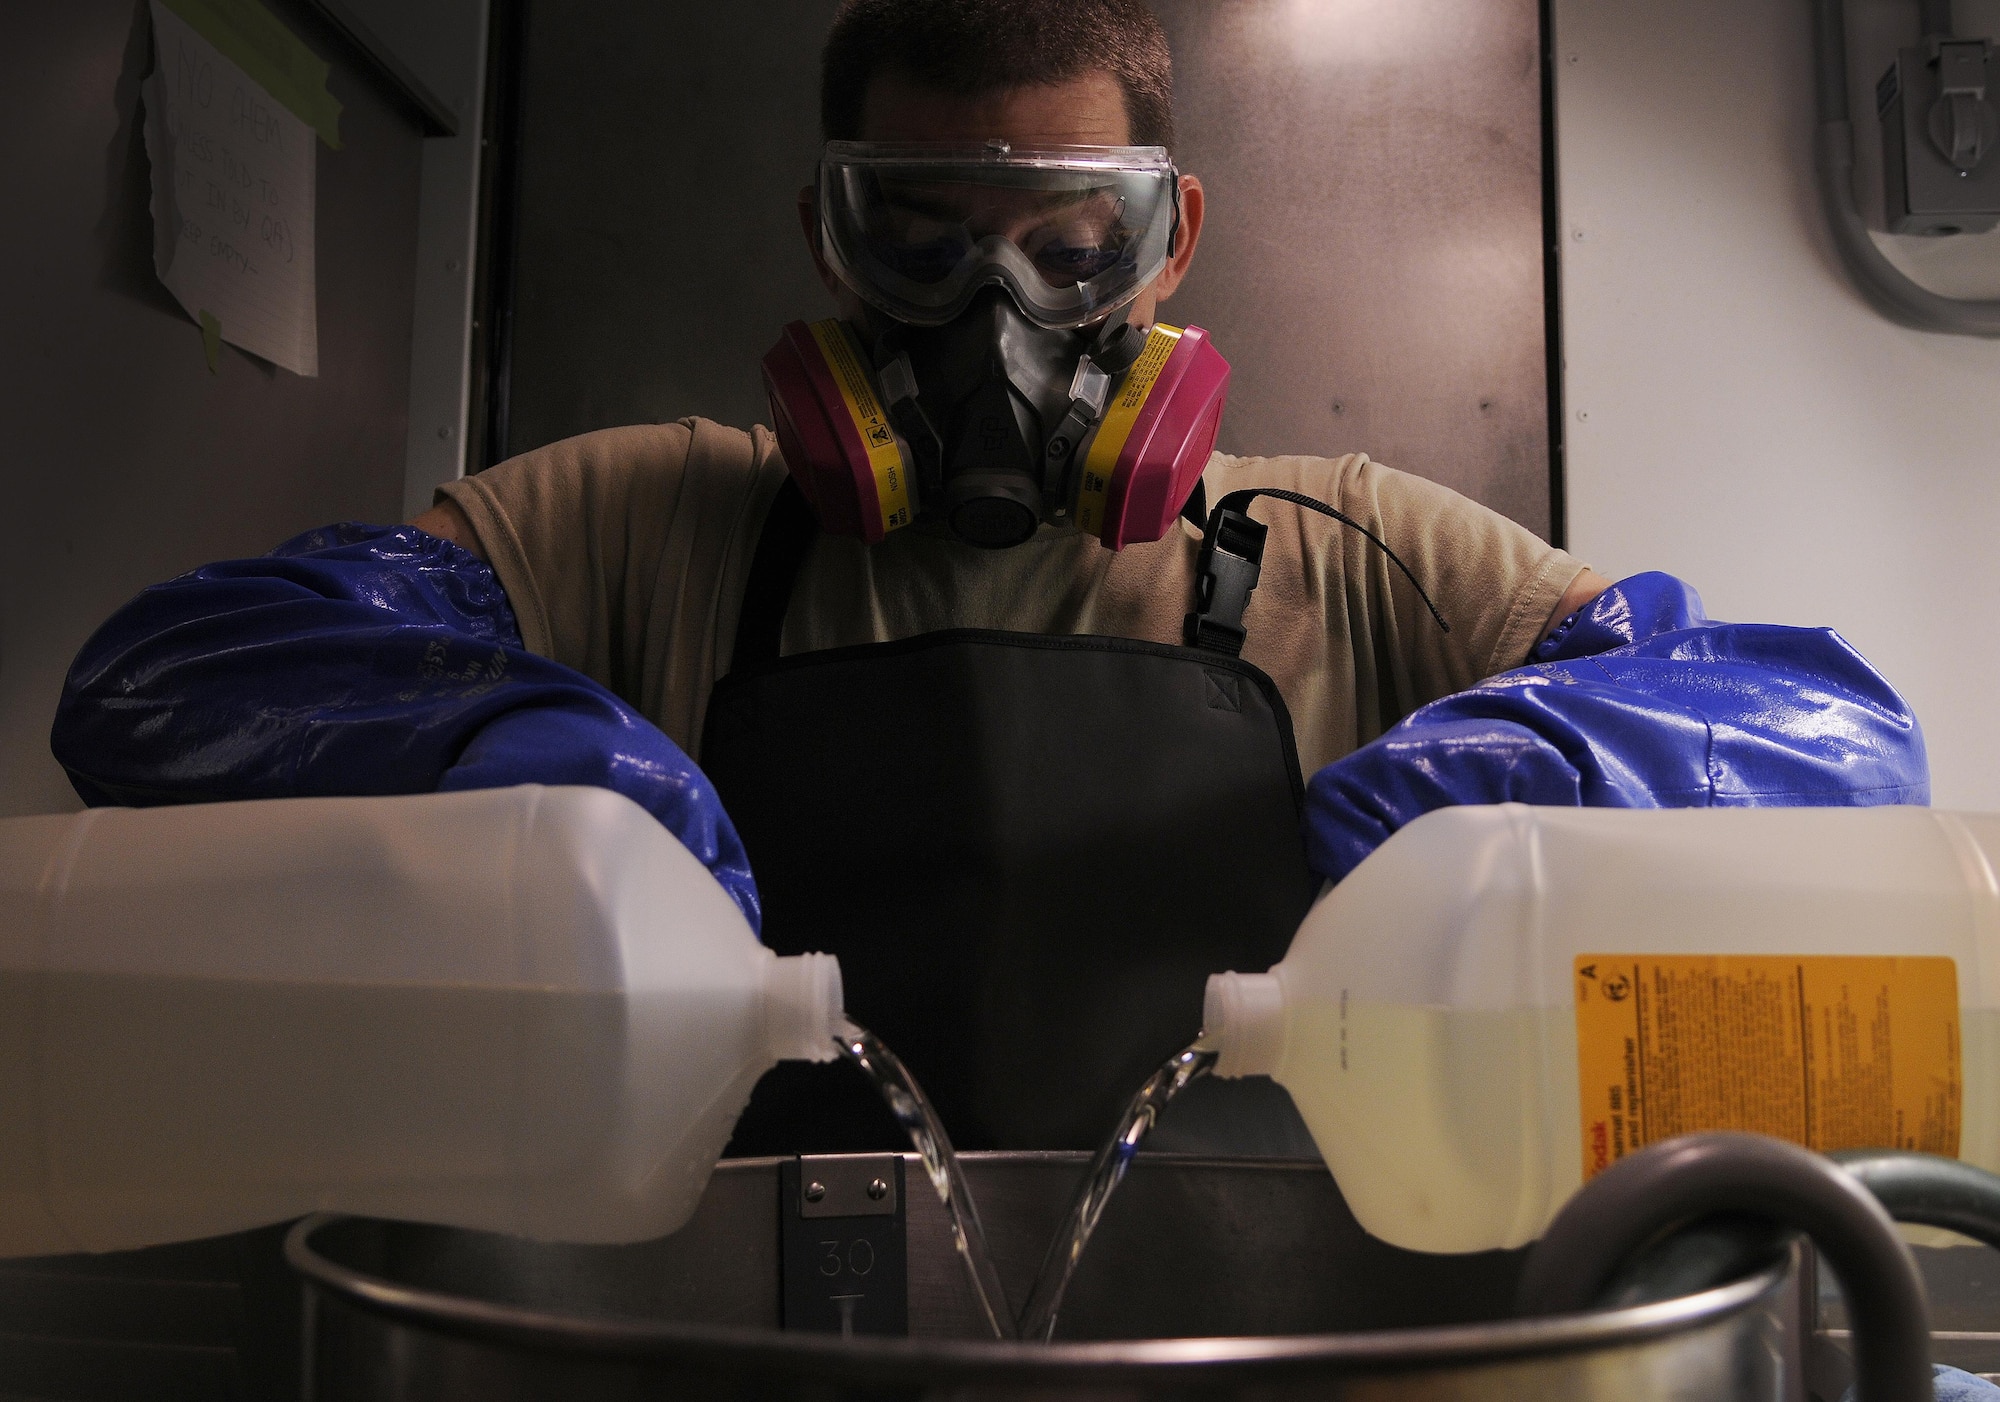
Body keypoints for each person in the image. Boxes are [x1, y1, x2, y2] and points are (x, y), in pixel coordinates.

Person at [52, 0, 1925, 1156]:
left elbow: (1833, 741)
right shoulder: (640, 520)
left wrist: (1498, 783)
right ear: (825, 233)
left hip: (1240, 1337)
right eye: (923, 242)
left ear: (1169, 239)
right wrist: (547, 763)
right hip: (758, 1321)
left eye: (1069, 242)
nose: (998, 316)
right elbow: (173, 683)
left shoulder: (1357, 548)